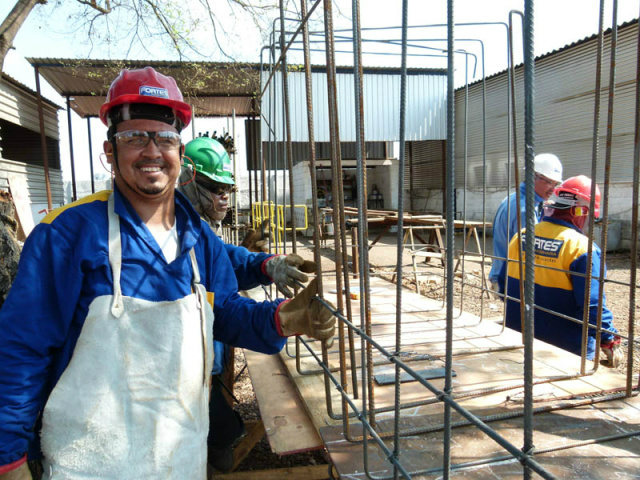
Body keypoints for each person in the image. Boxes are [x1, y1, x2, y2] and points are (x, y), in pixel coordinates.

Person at [0, 67, 335, 480]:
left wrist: (282, 318)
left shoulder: (198, 237)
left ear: (179, 150)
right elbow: (21, 349)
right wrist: (8, 458)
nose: (151, 151)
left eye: (164, 138)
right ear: (110, 150)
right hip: (90, 463)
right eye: (134, 137)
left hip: (180, 457)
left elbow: (223, 310)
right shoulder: (69, 234)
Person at [178, 135, 313, 472]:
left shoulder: (197, 229)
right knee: (213, 433)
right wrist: (276, 320)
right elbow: (223, 308)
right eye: (214, 187)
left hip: (198, 365)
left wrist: (265, 265)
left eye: (228, 189)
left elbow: (225, 259)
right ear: (185, 178)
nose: (224, 198)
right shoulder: (164, 231)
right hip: (174, 375)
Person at [502, 175, 622, 366]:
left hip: (518, 337)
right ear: (581, 211)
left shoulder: (522, 236)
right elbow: (591, 306)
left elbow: (503, 284)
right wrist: (607, 339)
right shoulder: (583, 249)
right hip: (565, 350)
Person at [488, 153, 563, 295]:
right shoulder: (525, 209)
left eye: (555, 183)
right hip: (511, 279)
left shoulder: (514, 198)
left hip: (504, 274)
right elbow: (530, 252)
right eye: (548, 182)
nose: (553, 189)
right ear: (532, 176)